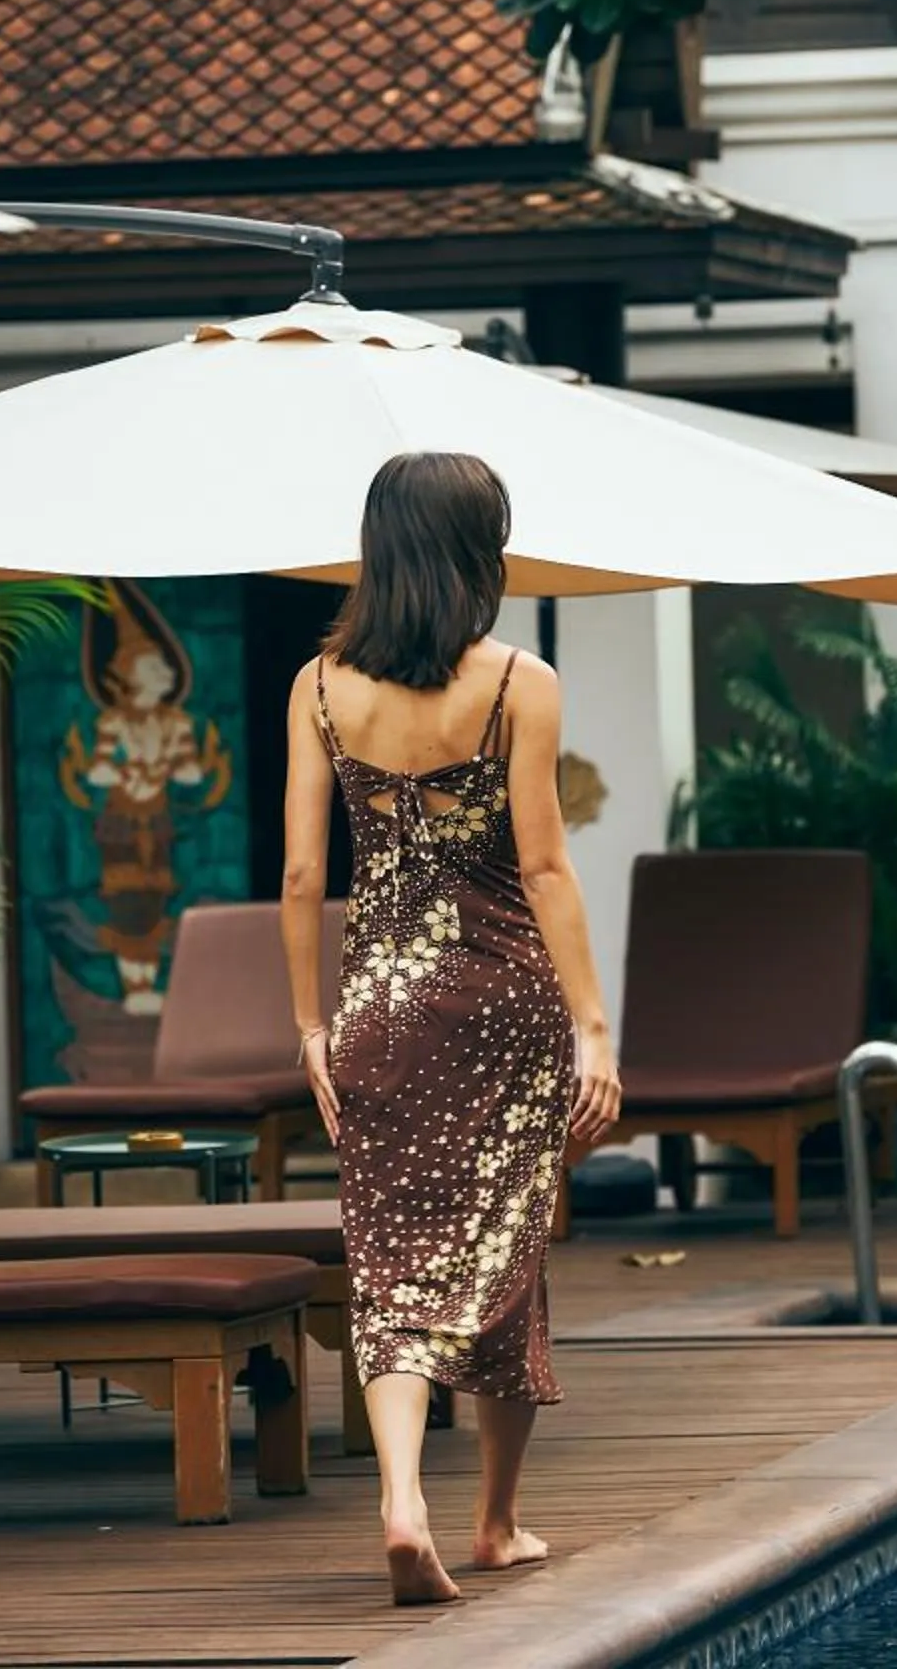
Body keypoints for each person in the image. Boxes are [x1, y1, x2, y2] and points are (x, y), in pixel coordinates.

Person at [281, 450, 621, 1607]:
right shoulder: (523, 679)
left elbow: (298, 873)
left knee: (388, 1264)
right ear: (482, 553)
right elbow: (542, 862)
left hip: (377, 1003)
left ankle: (400, 1500)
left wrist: (309, 1025)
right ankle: (495, 1520)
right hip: (503, 1003)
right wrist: (594, 1028)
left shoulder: (318, 686)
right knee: (505, 1252)